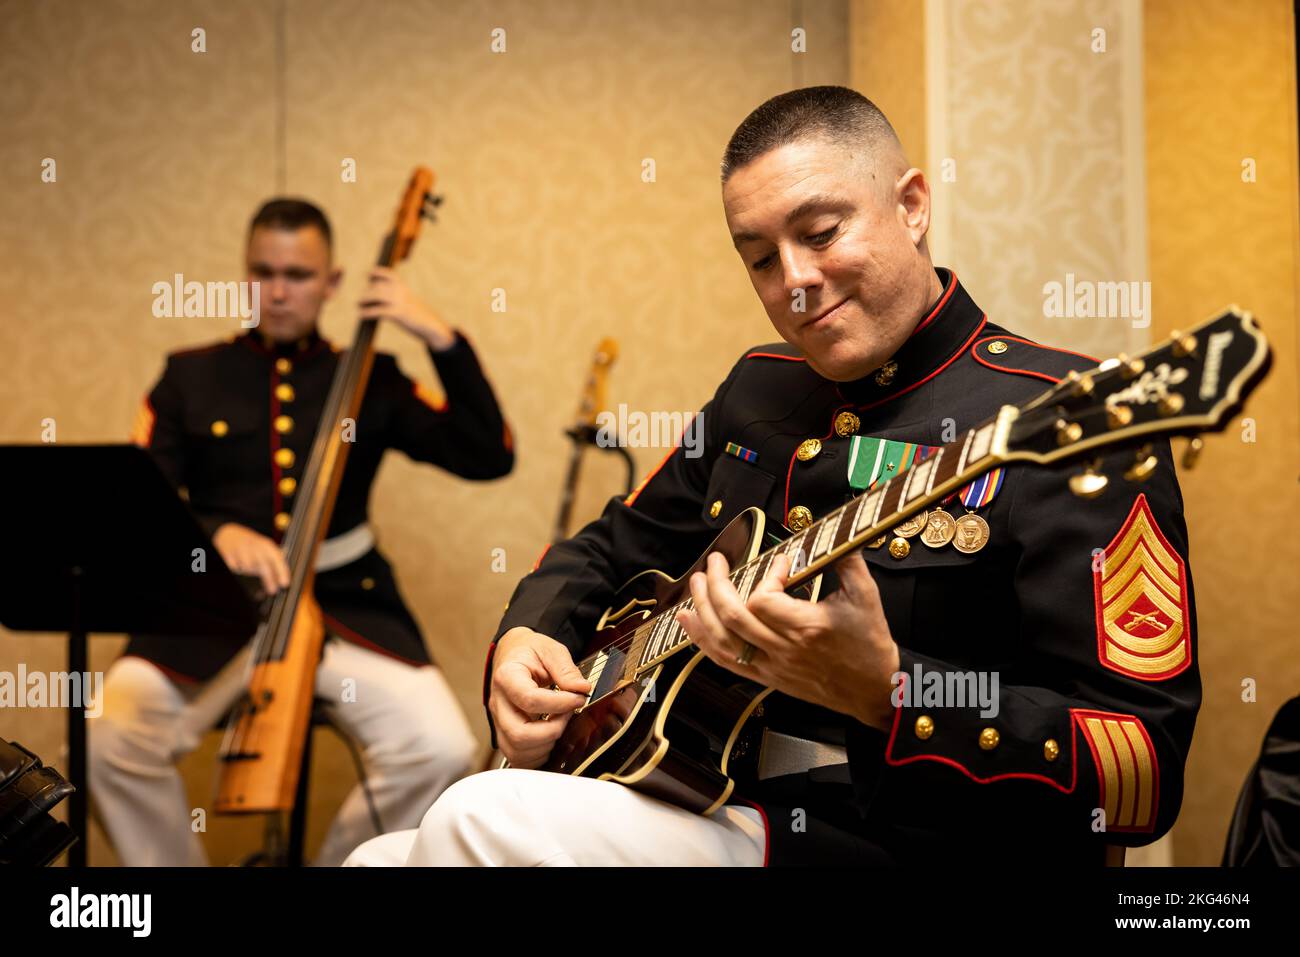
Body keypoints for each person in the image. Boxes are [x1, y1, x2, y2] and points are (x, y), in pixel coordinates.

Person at [346, 86, 1199, 866]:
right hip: (711, 796)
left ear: (911, 205)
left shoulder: (1070, 418)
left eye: (821, 234)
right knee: (371, 861)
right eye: (759, 257)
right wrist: (527, 636)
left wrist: (892, 692)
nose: (793, 282)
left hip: (914, 841)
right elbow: (608, 547)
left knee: (478, 816)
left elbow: (1142, 767)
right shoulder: (759, 386)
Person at [91, 198, 514, 866]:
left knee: (439, 746)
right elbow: (141, 503)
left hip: (349, 604)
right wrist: (214, 530)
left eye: (298, 273)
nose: (280, 290)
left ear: (333, 282)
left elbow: (489, 455)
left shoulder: (371, 379)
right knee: (108, 736)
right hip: (215, 606)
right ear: (245, 275)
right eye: (264, 272)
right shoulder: (189, 375)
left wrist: (440, 338)